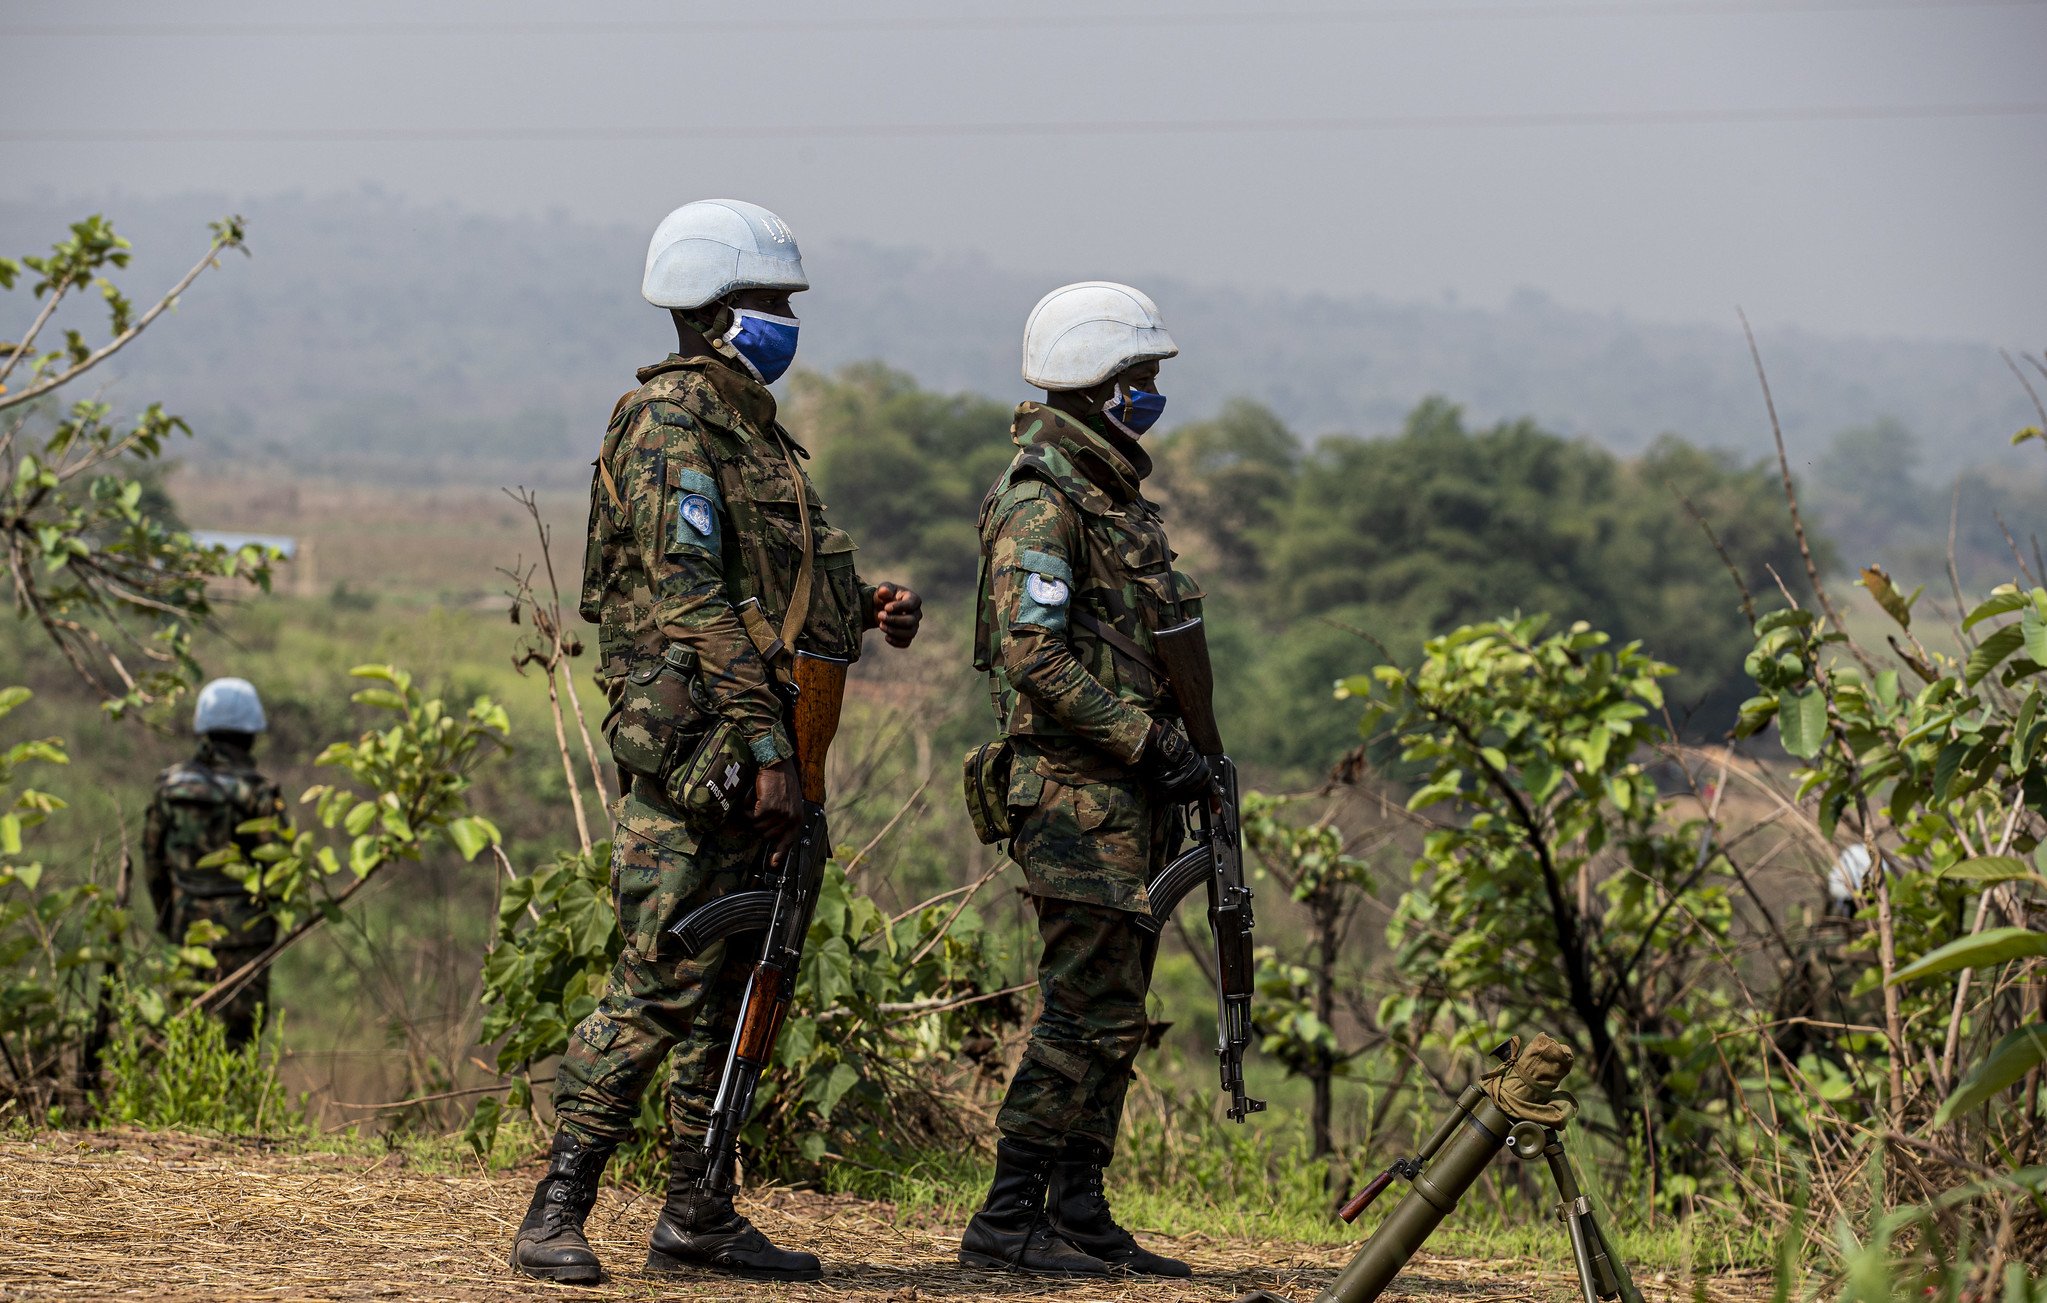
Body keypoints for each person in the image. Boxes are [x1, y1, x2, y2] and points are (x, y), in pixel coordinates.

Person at [512, 199, 922, 1286]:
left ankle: (699, 1209)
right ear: (716, 311)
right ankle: (557, 1208)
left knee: (743, 985)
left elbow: (771, 584)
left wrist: (862, 602)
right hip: (707, 757)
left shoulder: (753, 431)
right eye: (771, 303)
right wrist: (764, 748)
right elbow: (690, 599)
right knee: (657, 978)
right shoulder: (669, 426)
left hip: (769, 746)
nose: (788, 320)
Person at [959, 282, 1208, 1277]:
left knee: (1114, 1011)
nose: (1150, 396)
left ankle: (1078, 1208)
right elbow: (1033, 655)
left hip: (1122, 799)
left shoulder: (1109, 498)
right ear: (1096, 385)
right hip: (1071, 796)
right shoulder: (1042, 500)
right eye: (1137, 378)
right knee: (1080, 1011)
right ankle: (1009, 1219)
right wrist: (1147, 742)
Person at [142, 676, 284, 1047]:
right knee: (236, 1043)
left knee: (184, 1035)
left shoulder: (169, 786)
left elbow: (153, 864)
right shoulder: (258, 794)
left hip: (187, 931)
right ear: (252, 734)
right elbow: (281, 871)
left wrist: (170, 919)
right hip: (245, 939)